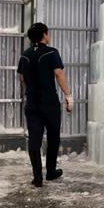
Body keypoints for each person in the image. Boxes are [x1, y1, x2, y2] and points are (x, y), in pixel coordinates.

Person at [17, 23, 74, 187]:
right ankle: (51, 171)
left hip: (32, 103)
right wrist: (68, 95)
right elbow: (59, 73)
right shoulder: (51, 52)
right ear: (44, 35)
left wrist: (29, 93)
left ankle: (37, 177)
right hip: (49, 102)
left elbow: (22, 79)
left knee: (34, 138)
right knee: (53, 136)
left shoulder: (25, 55)